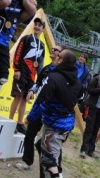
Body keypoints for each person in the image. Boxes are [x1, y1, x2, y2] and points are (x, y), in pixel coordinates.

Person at [26, 49, 81, 178]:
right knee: (41, 146)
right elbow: (80, 99)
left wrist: (30, 117)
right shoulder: (77, 81)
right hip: (66, 124)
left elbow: (41, 101)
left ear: (61, 61)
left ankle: (56, 174)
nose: (56, 56)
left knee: (49, 160)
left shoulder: (53, 78)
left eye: (59, 55)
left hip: (55, 126)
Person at [19, 45, 66, 168]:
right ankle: (27, 162)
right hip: (40, 108)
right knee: (29, 134)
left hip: (52, 112)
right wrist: (32, 91)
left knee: (50, 141)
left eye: (56, 50)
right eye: (53, 48)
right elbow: (38, 83)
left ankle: (56, 167)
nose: (53, 50)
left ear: (61, 55)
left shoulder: (62, 72)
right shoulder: (46, 68)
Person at [9, 17, 45, 134]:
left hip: (31, 75)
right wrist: (16, 69)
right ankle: (10, 121)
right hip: (22, 71)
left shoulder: (42, 46)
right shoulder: (26, 38)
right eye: (36, 24)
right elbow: (18, 53)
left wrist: (39, 78)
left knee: (24, 99)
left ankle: (20, 123)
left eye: (40, 25)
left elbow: (40, 62)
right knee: (18, 96)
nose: (37, 27)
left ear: (43, 29)